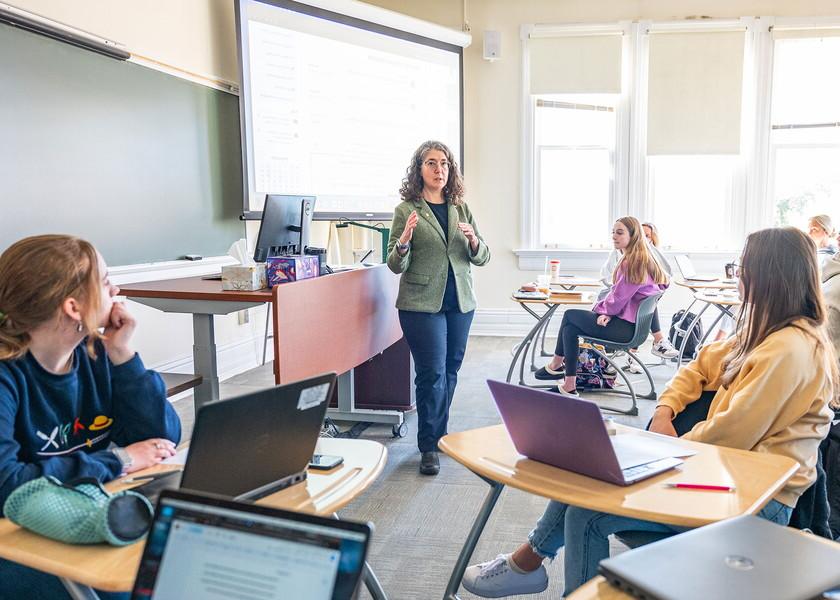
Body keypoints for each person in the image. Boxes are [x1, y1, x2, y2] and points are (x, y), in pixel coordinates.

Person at [463, 227, 836, 598]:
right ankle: (527, 563)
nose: (737, 274)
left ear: (769, 276)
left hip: (757, 500)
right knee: (594, 469)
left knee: (588, 508)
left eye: (743, 267)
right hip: (722, 474)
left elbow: (731, 436)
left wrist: (658, 450)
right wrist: (663, 410)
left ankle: (527, 562)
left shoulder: (791, 349)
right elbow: (697, 367)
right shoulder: (762, 329)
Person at [0, 234, 181, 600]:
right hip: (16, 536)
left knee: (179, 559)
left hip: (83, 505)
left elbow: (164, 437)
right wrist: (119, 460)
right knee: (132, 584)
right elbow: (8, 484)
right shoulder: (7, 375)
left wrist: (123, 355)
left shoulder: (97, 354)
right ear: (73, 307)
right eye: (105, 280)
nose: (115, 288)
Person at [387, 141, 490, 476]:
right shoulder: (407, 209)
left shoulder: (461, 207)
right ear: (419, 169)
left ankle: (438, 433)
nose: (439, 169)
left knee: (449, 372)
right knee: (431, 374)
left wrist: (474, 240)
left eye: (444, 163)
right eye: (431, 163)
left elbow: (482, 255)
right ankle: (429, 445)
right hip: (421, 305)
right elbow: (394, 264)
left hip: (459, 302)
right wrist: (403, 241)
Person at [535, 217, 669, 392]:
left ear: (634, 235)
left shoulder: (632, 263)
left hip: (625, 331)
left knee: (570, 315)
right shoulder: (645, 259)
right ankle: (569, 384)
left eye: (619, 233)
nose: (614, 236)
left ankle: (555, 365)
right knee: (571, 329)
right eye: (613, 232)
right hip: (634, 328)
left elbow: (617, 299)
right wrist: (608, 312)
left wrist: (602, 311)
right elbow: (625, 296)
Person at [597, 221, 678, 367]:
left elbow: (666, 276)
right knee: (644, 295)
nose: (645, 239)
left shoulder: (643, 258)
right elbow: (608, 279)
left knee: (646, 296)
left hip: (623, 308)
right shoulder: (621, 254)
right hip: (614, 295)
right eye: (643, 235)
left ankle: (641, 348)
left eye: (648, 236)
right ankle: (655, 341)